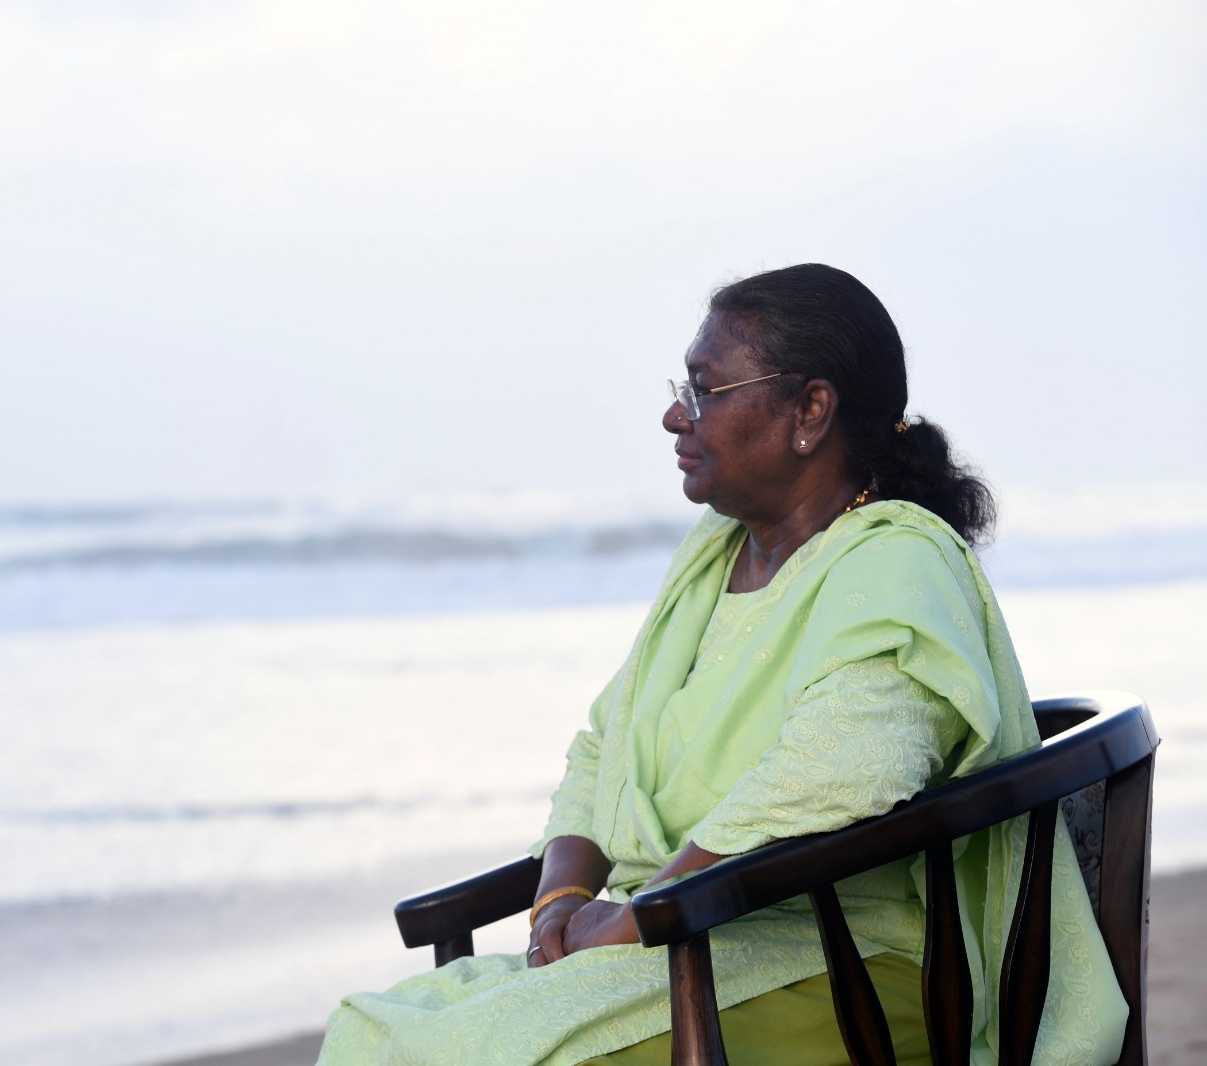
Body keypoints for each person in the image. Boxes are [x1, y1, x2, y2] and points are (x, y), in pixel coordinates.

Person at [315, 264, 1127, 1066]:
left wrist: (639, 917)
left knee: (510, 1054)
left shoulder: (898, 560)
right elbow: (608, 743)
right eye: (683, 387)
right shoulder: (715, 554)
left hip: (855, 963)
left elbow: (846, 767)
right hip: (689, 933)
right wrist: (562, 899)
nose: (676, 415)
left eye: (705, 389)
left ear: (810, 410)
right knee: (374, 1029)